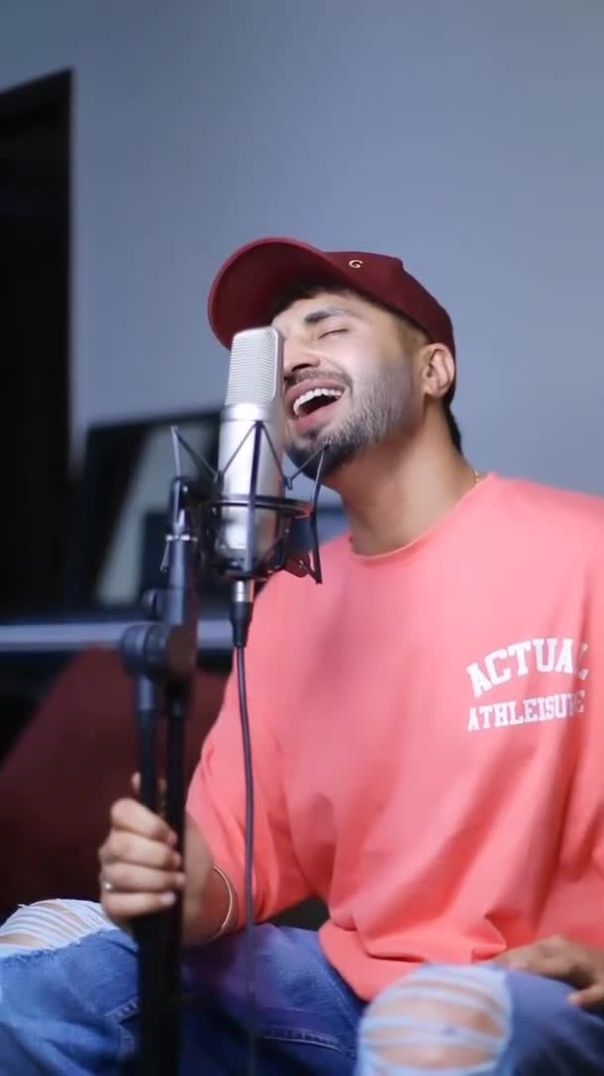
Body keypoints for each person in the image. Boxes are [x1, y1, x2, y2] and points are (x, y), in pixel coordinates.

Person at [2, 237, 604, 1075]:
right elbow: (232, 874)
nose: (291, 361)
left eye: (329, 326)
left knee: (432, 1027)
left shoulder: (583, 552)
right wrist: (177, 876)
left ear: (434, 370)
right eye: (276, 349)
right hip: (342, 992)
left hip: (539, 996)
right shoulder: (288, 605)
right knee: (37, 957)